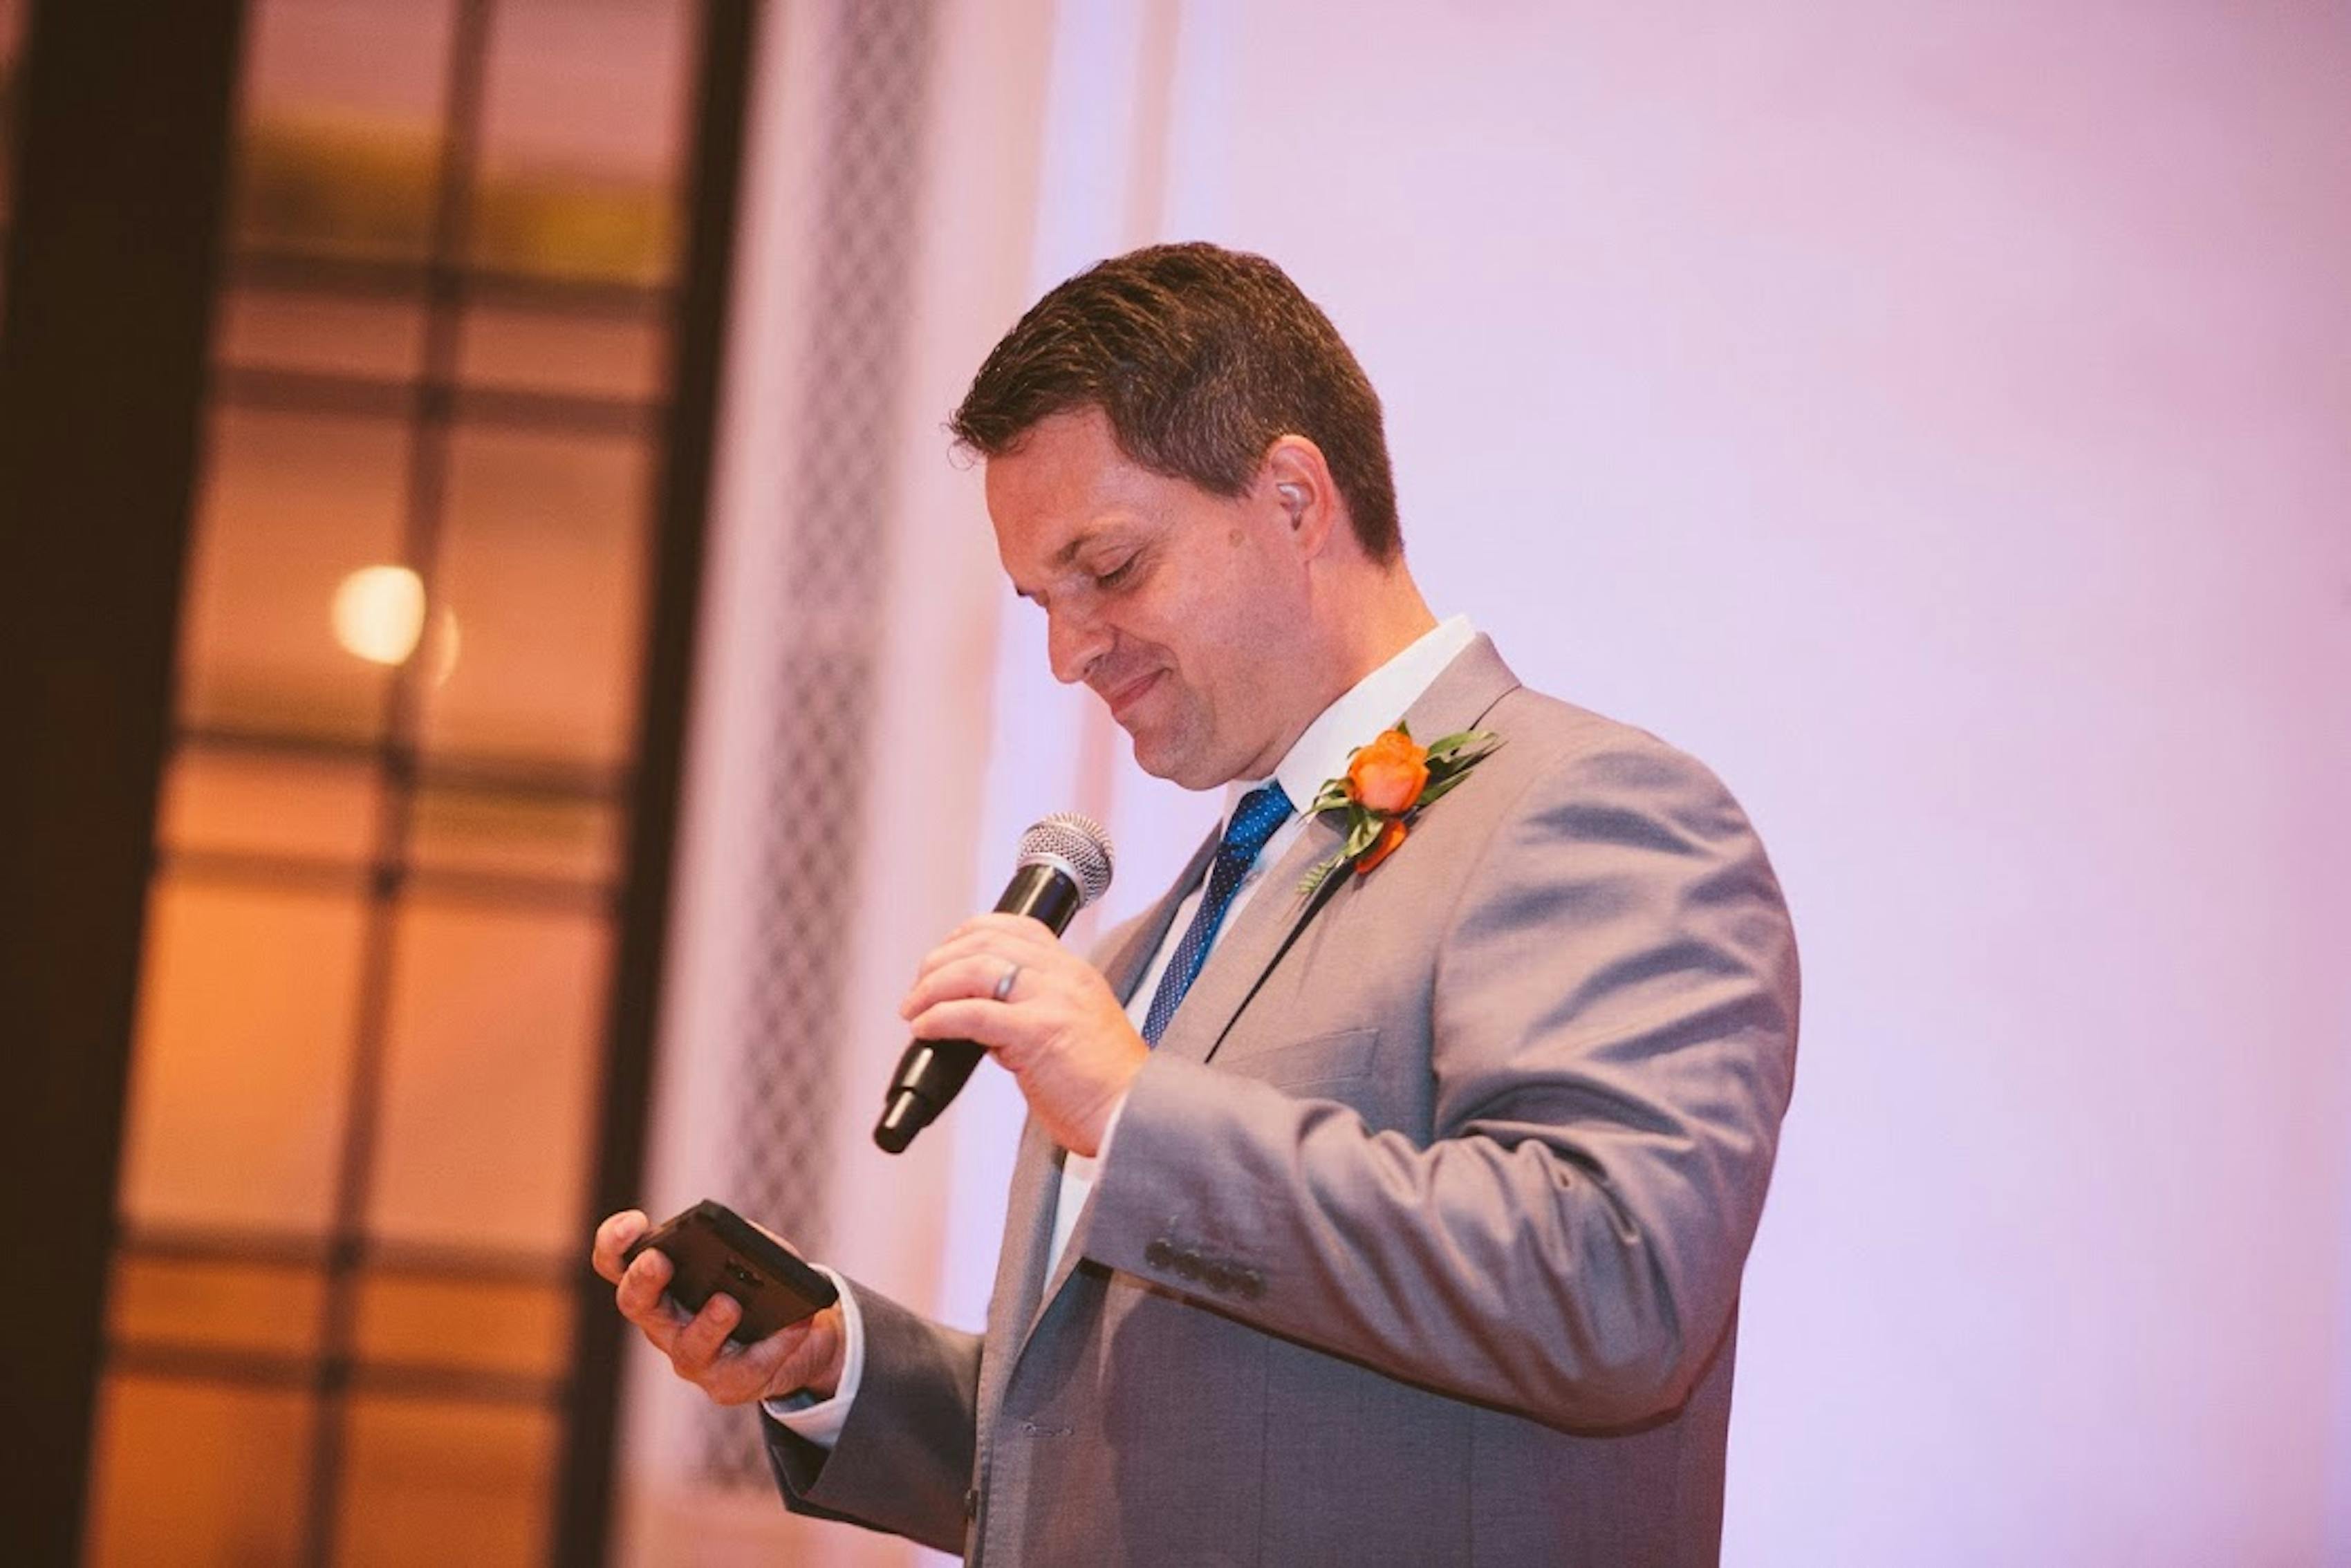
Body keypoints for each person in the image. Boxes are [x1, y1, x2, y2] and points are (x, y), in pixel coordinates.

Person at [593, 242, 1799, 1566]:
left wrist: (1132, 1107)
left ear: (1291, 496)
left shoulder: (1587, 811)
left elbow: (1613, 1290)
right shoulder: (1145, 947)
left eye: (1107, 570)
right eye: (1041, 604)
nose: (1068, 653)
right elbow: (1153, 1463)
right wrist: (835, 1366)